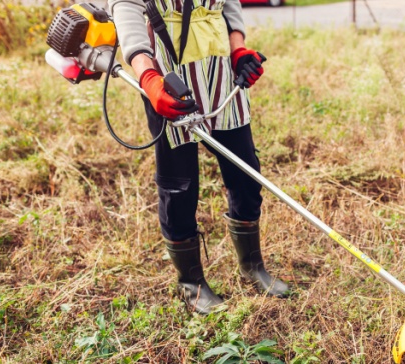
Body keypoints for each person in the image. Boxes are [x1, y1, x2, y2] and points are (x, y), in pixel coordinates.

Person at [108, 0, 289, 314]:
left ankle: (252, 266)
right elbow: (127, 13)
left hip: (219, 72)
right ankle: (192, 284)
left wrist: (238, 50)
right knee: (179, 186)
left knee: (245, 172)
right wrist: (149, 80)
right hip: (165, 76)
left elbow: (228, 5)